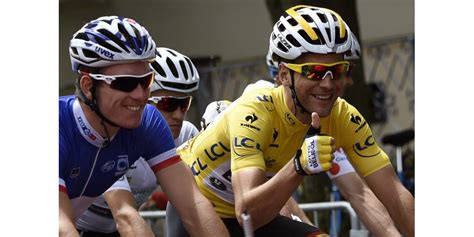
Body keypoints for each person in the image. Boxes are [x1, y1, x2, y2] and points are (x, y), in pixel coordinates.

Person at [177, 5, 414, 236]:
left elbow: (394, 193)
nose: (328, 84)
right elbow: (248, 214)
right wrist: (298, 166)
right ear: (283, 75)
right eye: (315, 71)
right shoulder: (254, 112)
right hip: (197, 204)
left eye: (339, 70)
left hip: (256, 217)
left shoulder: (343, 117)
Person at [59, 16, 228, 237]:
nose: (140, 96)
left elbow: (193, 206)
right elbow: (61, 226)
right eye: (126, 83)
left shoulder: (147, 122)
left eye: (146, 81)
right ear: (88, 86)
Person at [74, 47, 202, 236]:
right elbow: (124, 215)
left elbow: (195, 204)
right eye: (168, 104)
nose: (178, 115)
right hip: (78, 225)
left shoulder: (186, 133)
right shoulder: (114, 134)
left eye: (184, 104)